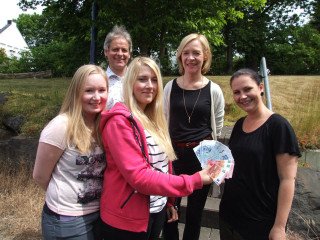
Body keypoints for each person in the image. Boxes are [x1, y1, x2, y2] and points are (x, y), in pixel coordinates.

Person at [99, 56, 218, 240]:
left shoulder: (153, 120)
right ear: (130, 82)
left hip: (156, 211)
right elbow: (139, 176)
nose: (150, 85)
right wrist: (194, 180)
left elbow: (163, 164)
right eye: (142, 79)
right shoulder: (119, 122)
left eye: (154, 80)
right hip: (126, 219)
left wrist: (168, 201)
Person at [219, 68, 301, 240]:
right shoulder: (239, 124)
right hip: (229, 217)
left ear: (261, 87)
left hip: (259, 223)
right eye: (236, 92)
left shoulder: (278, 126)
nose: (242, 96)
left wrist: (279, 227)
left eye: (247, 89)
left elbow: (288, 180)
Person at [33, 65, 108, 239]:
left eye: (102, 90)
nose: (96, 97)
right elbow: (40, 176)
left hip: (100, 213)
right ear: (76, 92)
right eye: (89, 91)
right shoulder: (60, 127)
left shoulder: (105, 124)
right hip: (67, 220)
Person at [162, 33, 225, 240]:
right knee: (170, 208)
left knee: (196, 213)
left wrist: (215, 162)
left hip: (203, 158)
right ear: (180, 56)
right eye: (186, 53)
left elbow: (217, 123)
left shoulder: (214, 89)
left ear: (205, 56)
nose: (191, 58)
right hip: (175, 156)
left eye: (196, 53)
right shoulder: (170, 87)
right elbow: (163, 120)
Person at [103, 24, 132, 109]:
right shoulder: (100, 81)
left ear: (129, 54)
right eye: (115, 49)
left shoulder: (138, 79)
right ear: (106, 52)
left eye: (124, 50)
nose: (120, 54)